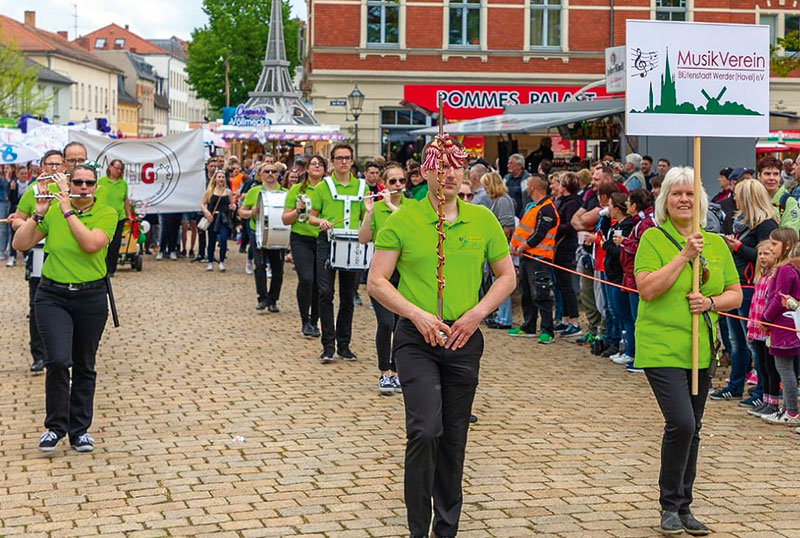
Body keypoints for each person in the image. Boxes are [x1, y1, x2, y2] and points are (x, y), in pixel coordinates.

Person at [367, 136, 515, 538]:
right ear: (426, 171)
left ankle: (445, 528)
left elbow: (507, 276)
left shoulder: (482, 220)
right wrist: (415, 314)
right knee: (424, 430)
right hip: (417, 340)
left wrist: (477, 314)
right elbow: (377, 281)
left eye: (457, 166)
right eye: (441, 166)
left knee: (453, 438)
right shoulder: (403, 219)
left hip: (464, 340)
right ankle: (419, 527)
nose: (449, 173)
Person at [634, 166, 742, 535]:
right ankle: (668, 503)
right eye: (677, 193)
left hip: (701, 348)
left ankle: (684, 505)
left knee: (693, 428)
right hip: (661, 345)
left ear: (700, 201)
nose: (684, 199)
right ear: (665, 199)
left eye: (690, 193)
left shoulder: (714, 242)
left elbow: (735, 293)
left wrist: (710, 302)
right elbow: (647, 288)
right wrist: (683, 256)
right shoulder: (652, 238)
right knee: (680, 422)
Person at [13, 164, 118, 453]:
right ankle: (55, 427)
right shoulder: (55, 210)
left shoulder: (107, 213)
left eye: (89, 183)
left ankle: (79, 430)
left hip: (91, 296)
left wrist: (68, 208)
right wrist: (40, 212)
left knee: (84, 364)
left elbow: (90, 244)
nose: (83, 188)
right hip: (52, 295)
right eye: (78, 183)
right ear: (70, 184)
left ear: (96, 187)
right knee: (58, 360)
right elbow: (20, 242)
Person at [711, 179, 778, 404]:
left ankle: (762, 392)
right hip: (736, 285)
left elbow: (767, 257)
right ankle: (735, 385)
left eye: (738, 195)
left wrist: (738, 247)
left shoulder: (766, 225)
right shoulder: (743, 224)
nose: (734, 198)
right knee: (737, 340)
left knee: (753, 342)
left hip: (751, 287)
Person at [7, 149, 66, 374]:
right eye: (49, 164)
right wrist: (35, 225)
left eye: (58, 164)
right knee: (37, 305)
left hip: (63, 254)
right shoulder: (33, 191)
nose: (53, 168)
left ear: (64, 167)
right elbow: (17, 221)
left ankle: (60, 352)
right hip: (38, 253)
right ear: (42, 167)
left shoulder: (70, 190)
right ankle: (39, 355)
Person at [308, 144, 366, 362]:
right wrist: (320, 221)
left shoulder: (362, 187)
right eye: (339, 158)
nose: (343, 162)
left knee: (348, 296)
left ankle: (344, 345)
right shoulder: (324, 187)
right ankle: (328, 345)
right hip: (327, 241)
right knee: (325, 293)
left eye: (347, 158)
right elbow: (311, 216)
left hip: (353, 241)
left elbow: (365, 217)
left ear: (352, 161)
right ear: (332, 161)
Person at [358, 163, 408, 394]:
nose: (398, 185)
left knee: (400, 325)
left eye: (401, 181)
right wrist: (370, 212)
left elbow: (412, 227)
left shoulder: (412, 207)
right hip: (381, 273)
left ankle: (398, 372)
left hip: (406, 274)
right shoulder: (377, 208)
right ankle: (384, 372)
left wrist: (391, 205)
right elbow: (363, 238)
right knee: (385, 323)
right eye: (392, 182)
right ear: (384, 185)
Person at [508, 174, 559, 344]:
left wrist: (522, 247)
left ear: (533, 188)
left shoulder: (547, 209)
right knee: (527, 293)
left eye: (528, 184)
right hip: (526, 257)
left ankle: (547, 330)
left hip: (539, 258)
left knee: (541, 294)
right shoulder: (533, 207)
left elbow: (540, 233)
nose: (526, 187)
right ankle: (528, 325)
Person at [283, 155, 325, 337]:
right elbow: (285, 219)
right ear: (307, 169)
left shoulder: (328, 190)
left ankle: (315, 321)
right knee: (307, 279)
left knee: (320, 283)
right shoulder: (296, 189)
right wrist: (297, 210)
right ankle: (305, 320)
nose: (317, 167)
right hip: (301, 239)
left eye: (320, 164)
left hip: (322, 240)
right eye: (313, 164)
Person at [760, 232, 800, 425]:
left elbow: (779, 297)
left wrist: (765, 318)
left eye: (775, 244)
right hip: (785, 325)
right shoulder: (787, 268)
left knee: (784, 369)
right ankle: (787, 409)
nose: (771, 247)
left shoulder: (786, 270)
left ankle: (791, 411)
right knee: (785, 368)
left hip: (783, 326)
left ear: (786, 245)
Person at [240, 163, 287, 311]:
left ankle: (273, 299)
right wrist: (252, 213)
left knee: (277, 268)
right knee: (259, 265)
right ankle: (262, 297)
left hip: (278, 233)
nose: (271, 174)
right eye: (267, 171)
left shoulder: (285, 192)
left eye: (274, 171)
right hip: (257, 231)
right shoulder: (254, 191)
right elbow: (241, 212)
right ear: (260, 174)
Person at [618, 188, 655, 371]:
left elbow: (642, 248)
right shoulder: (640, 221)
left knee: (638, 318)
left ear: (635, 204)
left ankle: (641, 356)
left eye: (629, 202)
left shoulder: (644, 223)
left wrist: (624, 242)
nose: (626, 205)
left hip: (637, 276)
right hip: (631, 275)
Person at [745, 237, 783, 419]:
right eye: (759, 253)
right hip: (757, 330)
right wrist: (750, 327)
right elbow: (754, 305)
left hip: (768, 331)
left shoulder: (775, 277)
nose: (761, 257)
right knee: (762, 367)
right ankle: (765, 399)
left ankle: (773, 402)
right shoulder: (761, 277)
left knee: (771, 368)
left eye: (766, 253)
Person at [481, 172, 516, 330]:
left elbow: (507, 226)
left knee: (501, 281)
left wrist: (494, 242)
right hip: (496, 245)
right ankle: (502, 315)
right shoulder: (498, 200)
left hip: (501, 246)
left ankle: (505, 318)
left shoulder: (502, 201)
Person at [603, 192, 635, 365]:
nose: (608, 209)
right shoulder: (615, 224)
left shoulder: (628, 226)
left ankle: (630, 349)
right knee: (617, 312)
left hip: (620, 275)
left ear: (617, 208)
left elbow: (620, 251)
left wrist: (606, 245)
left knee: (625, 314)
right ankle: (624, 347)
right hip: (612, 274)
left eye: (610, 206)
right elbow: (606, 235)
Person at [552, 172, 582, 336]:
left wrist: (554, 226)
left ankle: (574, 321)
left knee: (566, 284)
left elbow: (571, 226)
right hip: (560, 247)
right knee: (561, 284)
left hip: (566, 247)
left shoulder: (571, 203)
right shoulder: (563, 201)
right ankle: (564, 319)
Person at [95, 160, 131, 277]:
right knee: (102, 242)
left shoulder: (123, 184)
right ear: (110, 167)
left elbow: (125, 199)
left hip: (118, 217)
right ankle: (101, 267)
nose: (118, 171)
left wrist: (129, 214)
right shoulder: (101, 182)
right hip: (103, 216)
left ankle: (111, 269)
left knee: (115, 244)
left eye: (121, 169)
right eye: (116, 168)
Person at [200, 170, 236, 272]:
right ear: (215, 179)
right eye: (219, 177)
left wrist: (233, 206)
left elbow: (232, 203)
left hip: (224, 219)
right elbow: (202, 204)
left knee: (223, 239)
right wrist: (206, 212)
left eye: (222, 177)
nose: (221, 179)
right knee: (211, 240)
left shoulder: (228, 192)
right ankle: (210, 261)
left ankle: (221, 262)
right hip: (213, 218)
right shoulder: (210, 191)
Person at [757, 155, 800, 231]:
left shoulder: (788, 202)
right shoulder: (753, 199)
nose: (772, 178)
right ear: (759, 176)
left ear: (780, 177)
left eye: (776, 174)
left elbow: (791, 234)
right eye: (767, 174)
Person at [503, 153, 531, 218]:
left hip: (522, 215)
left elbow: (528, 198)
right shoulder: (506, 178)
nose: (508, 165)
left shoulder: (528, 179)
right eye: (508, 163)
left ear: (519, 166)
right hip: (507, 215)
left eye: (511, 163)